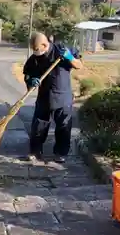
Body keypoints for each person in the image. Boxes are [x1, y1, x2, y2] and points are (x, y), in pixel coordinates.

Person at [23, 32, 83, 163]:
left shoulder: (61, 50)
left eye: (38, 50)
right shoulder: (34, 59)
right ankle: (35, 152)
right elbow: (27, 78)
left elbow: (79, 65)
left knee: (63, 127)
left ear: (45, 45)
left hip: (63, 97)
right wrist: (31, 81)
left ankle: (60, 153)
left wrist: (69, 58)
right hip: (44, 98)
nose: (37, 54)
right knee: (38, 127)